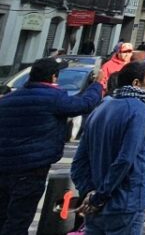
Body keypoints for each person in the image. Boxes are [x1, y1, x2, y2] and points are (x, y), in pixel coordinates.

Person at [0, 58, 102, 235]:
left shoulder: (8, 100)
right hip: (31, 169)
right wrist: (97, 85)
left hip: (5, 167)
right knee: (18, 219)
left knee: (3, 215)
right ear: (54, 77)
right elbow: (84, 104)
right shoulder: (53, 98)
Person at [72, 62, 145, 235]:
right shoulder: (140, 111)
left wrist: (89, 192)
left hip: (98, 201)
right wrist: (98, 196)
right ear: (136, 83)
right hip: (125, 203)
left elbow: (79, 162)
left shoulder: (101, 109)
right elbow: (125, 159)